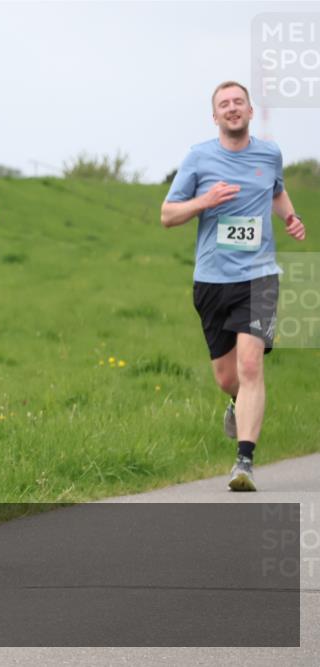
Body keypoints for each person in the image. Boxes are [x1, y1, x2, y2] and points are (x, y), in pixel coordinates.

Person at [161, 80, 306, 492]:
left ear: (249, 110)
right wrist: (204, 202)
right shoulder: (198, 158)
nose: (232, 108)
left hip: (259, 276)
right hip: (211, 279)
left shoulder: (269, 153)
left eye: (238, 101)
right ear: (215, 116)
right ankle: (235, 403)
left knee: (250, 365)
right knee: (229, 378)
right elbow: (168, 215)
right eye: (224, 104)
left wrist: (290, 217)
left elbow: (276, 191)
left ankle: (244, 462)